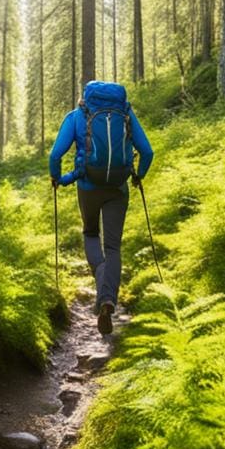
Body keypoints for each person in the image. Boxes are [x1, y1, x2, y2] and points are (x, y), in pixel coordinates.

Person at [49, 81, 154, 334]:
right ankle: (108, 299)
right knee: (113, 246)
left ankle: (102, 282)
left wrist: (58, 178)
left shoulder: (77, 116)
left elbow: (55, 155)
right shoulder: (125, 114)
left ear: (85, 97)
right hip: (118, 187)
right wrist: (138, 175)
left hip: (88, 186)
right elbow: (147, 151)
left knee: (91, 233)